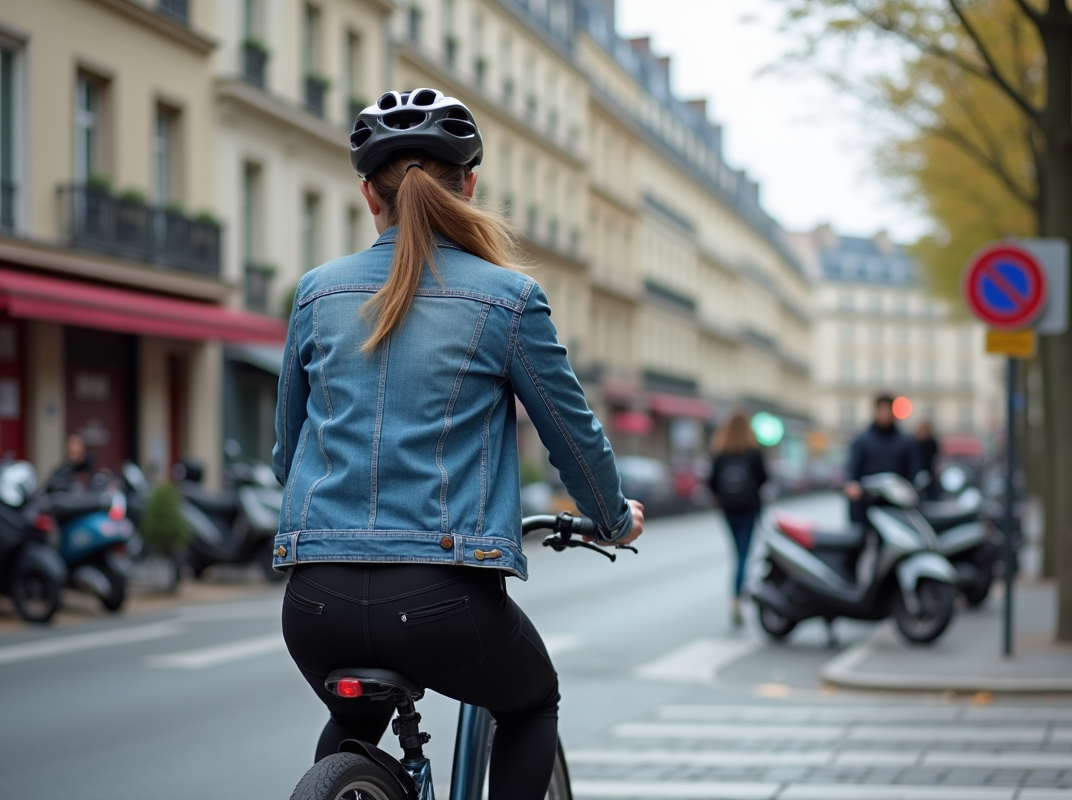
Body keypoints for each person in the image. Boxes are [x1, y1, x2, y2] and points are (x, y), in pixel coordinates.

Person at [272, 88, 644, 800]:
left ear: (366, 194)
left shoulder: (317, 293)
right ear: (469, 183)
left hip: (315, 602)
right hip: (442, 598)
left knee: (354, 729)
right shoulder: (508, 299)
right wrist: (612, 517)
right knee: (532, 701)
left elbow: (289, 455)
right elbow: (574, 437)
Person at [708, 412, 768, 627]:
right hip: (749, 508)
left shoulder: (720, 452)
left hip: (728, 509)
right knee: (744, 556)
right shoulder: (752, 452)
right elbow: (764, 479)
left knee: (736, 553)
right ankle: (737, 599)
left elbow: (712, 483)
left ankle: (734, 600)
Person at [844, 394, 921, 523]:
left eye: (887, 409)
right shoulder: (862, 440)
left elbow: (913, 471)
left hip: (896, 503)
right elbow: (851, 469)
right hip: (867, 501)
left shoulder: (905, 442)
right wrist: (851, 485)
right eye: (881, 409)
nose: (884, 414)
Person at [914, 419, 940, 500]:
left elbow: (935, 458)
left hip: (930, 473)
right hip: (918, 471)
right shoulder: (915, 442)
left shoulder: (932, 442)